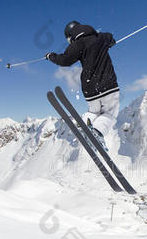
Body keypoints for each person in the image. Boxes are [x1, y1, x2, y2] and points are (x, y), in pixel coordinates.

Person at [46, 21, 119, 151]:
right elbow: (110, 37)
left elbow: (64, 60)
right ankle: (96, 132)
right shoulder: (100, 37)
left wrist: (51, 56)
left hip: (89, 89)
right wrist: (110, 42)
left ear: (71, 35)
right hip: (108, 85)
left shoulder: (77, 45)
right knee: (110, 113)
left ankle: (86, 123)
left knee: (94, 112)